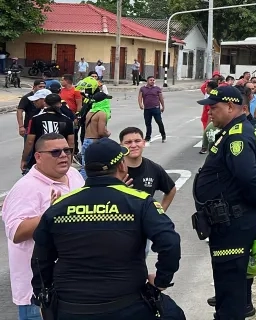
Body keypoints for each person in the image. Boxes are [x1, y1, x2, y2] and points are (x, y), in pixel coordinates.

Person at [30, 138, 184, 320]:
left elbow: (40, 259)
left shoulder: (59, 206)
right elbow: (170, 242)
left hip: (71, 308)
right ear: (121, 166)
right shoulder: (140, 202)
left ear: (87, 169)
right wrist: (160, 281)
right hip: (127, 307)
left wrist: (43, 297)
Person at [194, 86, 256, 320]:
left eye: (214, 107)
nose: (210, 112)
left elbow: (248, 177)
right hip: (229, 219)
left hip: (234, 221)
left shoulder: (237, 135)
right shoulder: (234, 130)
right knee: (229, 284)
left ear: (230, 107)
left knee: (230, 287)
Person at [3, 133, 85, 320]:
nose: (64, 155)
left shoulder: (73, 175)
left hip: (73, 285)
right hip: (39, 294)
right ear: (38, 157)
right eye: (55, 152)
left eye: (67, 150)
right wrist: (50, 214)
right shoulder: (26, 188)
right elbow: (15, 232)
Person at [120, 127, 176, 209]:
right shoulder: (113, 169)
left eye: (137, 141)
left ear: (143, 143)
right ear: (121, 146)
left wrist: (160, 213)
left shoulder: (154, 169)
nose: (133, 145)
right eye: (128, 142)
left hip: (143, 220)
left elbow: (171, 189)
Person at [21, 93, 75, 174]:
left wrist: (24, 159)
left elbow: (29, 142)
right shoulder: (67, 120)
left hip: (41, 157)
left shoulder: (36, 119)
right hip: (59, 157)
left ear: (45, 103)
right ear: (60, 104)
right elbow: (71, 143)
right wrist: (69, 160)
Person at [17, 81, 46, 146]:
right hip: (29, 127)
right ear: (34, 87)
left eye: (44, 87)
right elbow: (19, 111)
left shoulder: (47, 97)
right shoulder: (27, 97)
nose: (42, 88)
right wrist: (21, 126)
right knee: (29, 147)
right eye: (40, 87)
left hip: (43, 127)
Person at [138, 76, 166, 143]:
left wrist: (163, 106)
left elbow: (161, 98)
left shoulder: (157, 88)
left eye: (153, 80)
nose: (152, 81)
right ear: (147, 81)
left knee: (159, 122)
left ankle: (163, 135)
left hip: (156, 108)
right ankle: (148, 138)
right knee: (148, 124)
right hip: (147, 109)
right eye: (151, 80)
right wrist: (140, 104)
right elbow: (140, 97)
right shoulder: (143, 89)